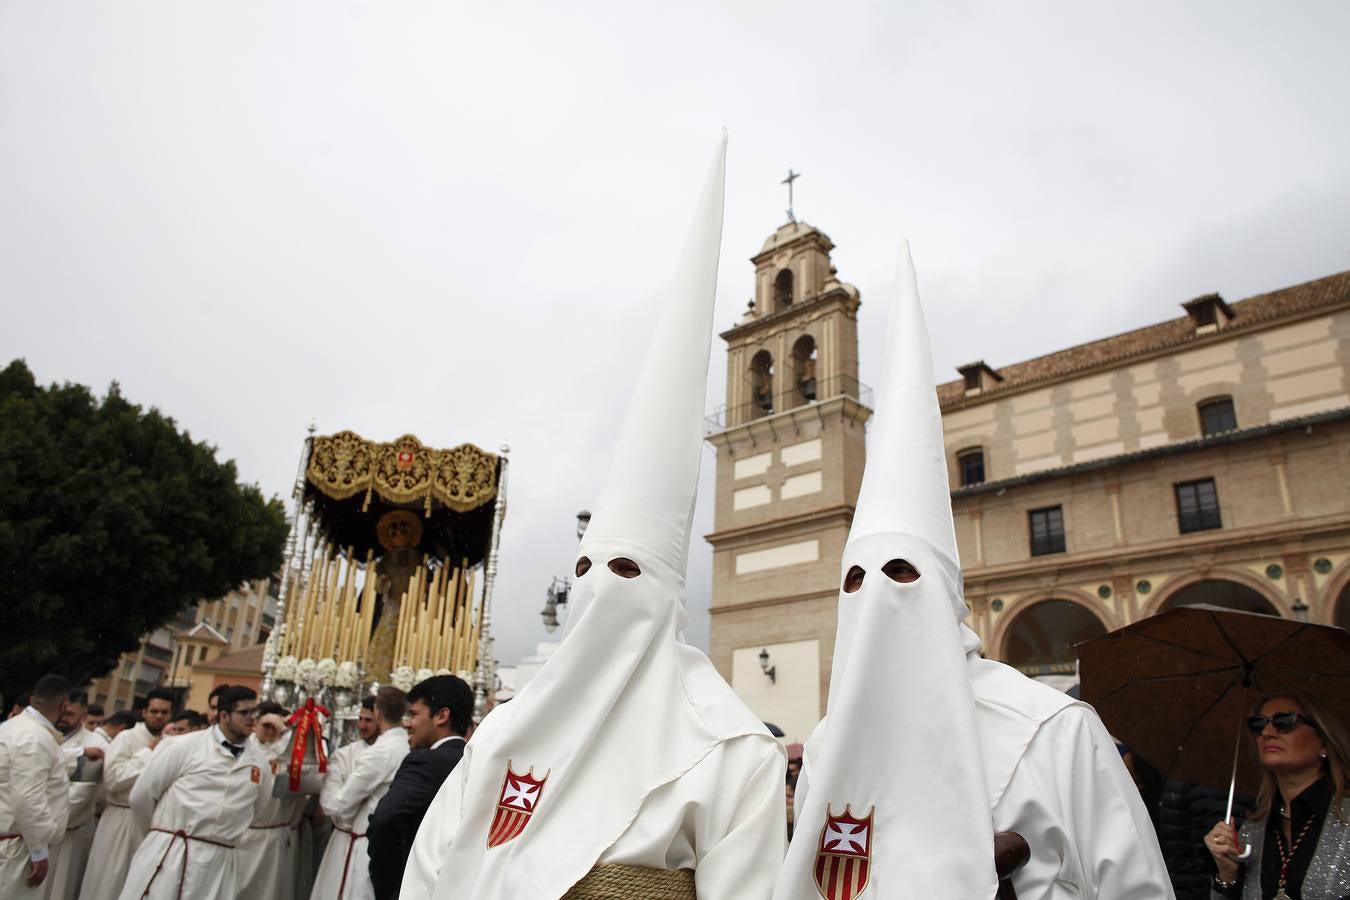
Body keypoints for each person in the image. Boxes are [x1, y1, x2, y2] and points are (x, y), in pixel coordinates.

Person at [403, 134, 786, 900]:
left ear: (668, 591)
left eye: (625, 570)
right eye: (585, 569)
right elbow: (430, 871)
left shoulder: (733, 751)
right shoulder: (508, 732)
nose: (599, 587)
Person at [775, 243, 1173, 899]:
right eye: (855, 580)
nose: (874, 597)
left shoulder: (1053, 730)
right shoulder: (825, 748)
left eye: (902, 573)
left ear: (946, 594)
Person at [118, 685, 270, 899]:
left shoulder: (259, 761)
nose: (251, 719)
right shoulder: (184, 746)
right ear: (224, 715)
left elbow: (258, 808)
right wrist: (161, 833)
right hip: (173, 852)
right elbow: (141, 796)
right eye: (244, 712)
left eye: (254, 712)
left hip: (219, 862)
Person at [1204, 693, 1350, 899]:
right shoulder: (1251, 831)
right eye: (1258, 724)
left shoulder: (1345, 818)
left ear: (1323, 742)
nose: (1267, 732)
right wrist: (1227, 875)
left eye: (1284, 721)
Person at [366, 675, 473, 900]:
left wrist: (390, 889)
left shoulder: (425, 761)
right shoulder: (474, 761)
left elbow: (384, 821)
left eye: (414, 714)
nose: (407, 723)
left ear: (442, 716)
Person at [311, 686, 407, 900]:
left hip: (362, 844)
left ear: (378, 713)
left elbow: (339, 804)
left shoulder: (380, 752)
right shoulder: (405, 747)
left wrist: (335, 808)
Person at [79, 688, 174, 900]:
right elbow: (113, 780)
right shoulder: (127, 738)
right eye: (155, 711)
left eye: (164, 712)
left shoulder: (171, 743)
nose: (159, 716)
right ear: (144, 712)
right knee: (108, 882)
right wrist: (148, 753)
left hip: (150, 822)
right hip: (120, 820)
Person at [0, 674, 71, 898]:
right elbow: (28, 797)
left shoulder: (13, 727)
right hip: (19, 848)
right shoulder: (34, 737)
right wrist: (39, 849)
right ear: (63, 705)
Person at [237, 700, 308, 900]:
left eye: (273, 727)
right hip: (246, 836)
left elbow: (302, 780)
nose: (269, 731)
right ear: (256, 722)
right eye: (265, 725)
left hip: (275, 838)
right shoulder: (245, 748)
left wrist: (284, 733)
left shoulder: (288, 751)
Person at [48, 691, 111, 900]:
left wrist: (44, 817)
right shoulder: (48, 735)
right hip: (37, 824)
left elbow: (82, 794)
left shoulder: (98, 745)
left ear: (83, 716)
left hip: (71, 829)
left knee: (61, 887)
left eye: (70, 714)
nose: (63, 718)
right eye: (62, 712)